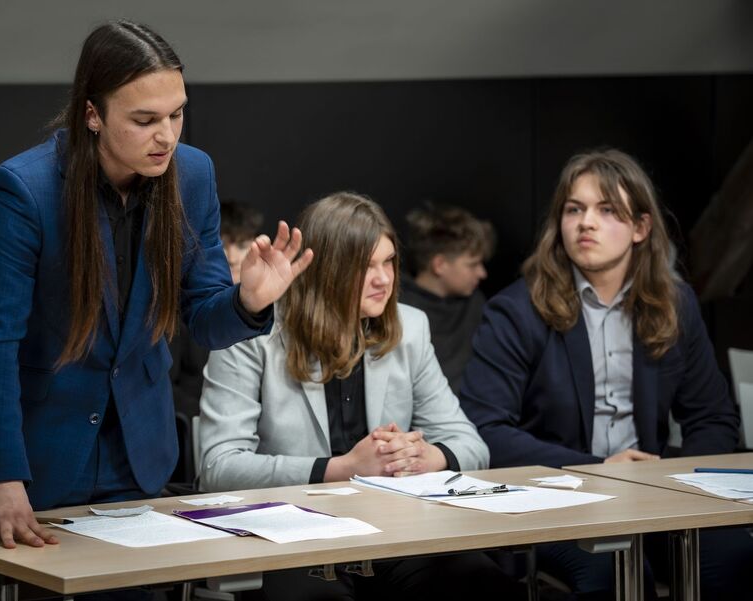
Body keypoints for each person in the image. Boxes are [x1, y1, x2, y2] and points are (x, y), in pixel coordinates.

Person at [0, 20, 312, 552]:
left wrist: (248, 301)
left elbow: (204, 318)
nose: (167, 135)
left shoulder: (192, 174)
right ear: (92, 114)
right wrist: (2, 476)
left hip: (139, 449)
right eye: (145, 120)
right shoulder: (24, 189)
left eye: (177, 114)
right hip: (35, 455)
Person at [199, 192, 522, 600]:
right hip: (288, 539)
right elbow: (218, 467)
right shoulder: (249, 332)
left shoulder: (411, 327)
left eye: (388, 262)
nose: (384, 278)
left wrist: (426, 457)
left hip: (392, 534)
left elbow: (471, 444)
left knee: (483, 584)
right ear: (326, 270)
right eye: (365, 266)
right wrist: (341, 467)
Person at [458, 149, 750, 599]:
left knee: (733, 565)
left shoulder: (675, 303)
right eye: (574, 209)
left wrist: (681, 488)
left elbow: (713, 418)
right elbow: (485, 431)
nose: (585, 223)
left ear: (640, 228)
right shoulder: (516, 311)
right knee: (612, 578)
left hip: (656, 496)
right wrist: (599, 471)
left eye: (606, 210)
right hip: (557, 499)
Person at [168, 199, 263, 419]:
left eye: (241, 245)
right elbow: (168, 386)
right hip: (198, 423)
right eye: (222, 245)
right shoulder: (186, 309)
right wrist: (212, 416)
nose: (232, 257)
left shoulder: (272, 309)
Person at [399, 203, 495, 393]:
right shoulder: (401, 311)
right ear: (440, 265)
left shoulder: (475, 302)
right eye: (472, 265)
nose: (482, 273)